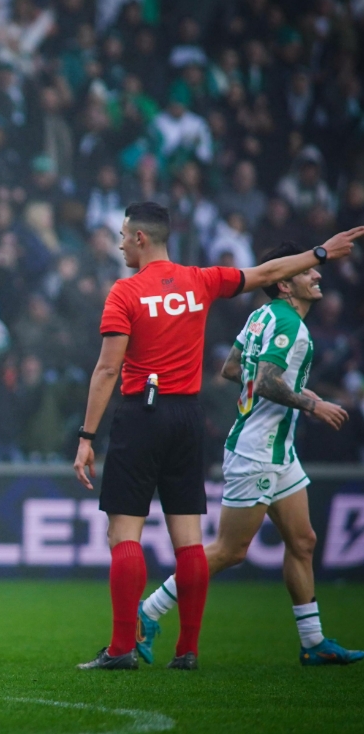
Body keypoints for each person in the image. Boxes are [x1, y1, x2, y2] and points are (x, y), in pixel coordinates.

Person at [72, 201, 362, 671]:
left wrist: (86, 436)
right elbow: (268, 271)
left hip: (142, 415)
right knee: (189, 542)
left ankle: (122, 648)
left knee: (123, 533)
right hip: (189, 417)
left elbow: (108, 368)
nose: (122, 242)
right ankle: (187, 650)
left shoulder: (124, 293)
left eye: (125, 234)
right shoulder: (200, 280)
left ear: (141, 238)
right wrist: (321, 253)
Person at [139, 243, 363, 666]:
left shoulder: (260, 316)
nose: (317, 276)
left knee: (303, 540)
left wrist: (294, 389)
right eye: (308, 271)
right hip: (256, 452)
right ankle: (149, 611)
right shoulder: (288, 325)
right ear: (285, 282)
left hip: (279, 452)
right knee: (229, 551)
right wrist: (313, 404)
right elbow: (265, 381)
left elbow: (231, 369)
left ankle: (313, 643)